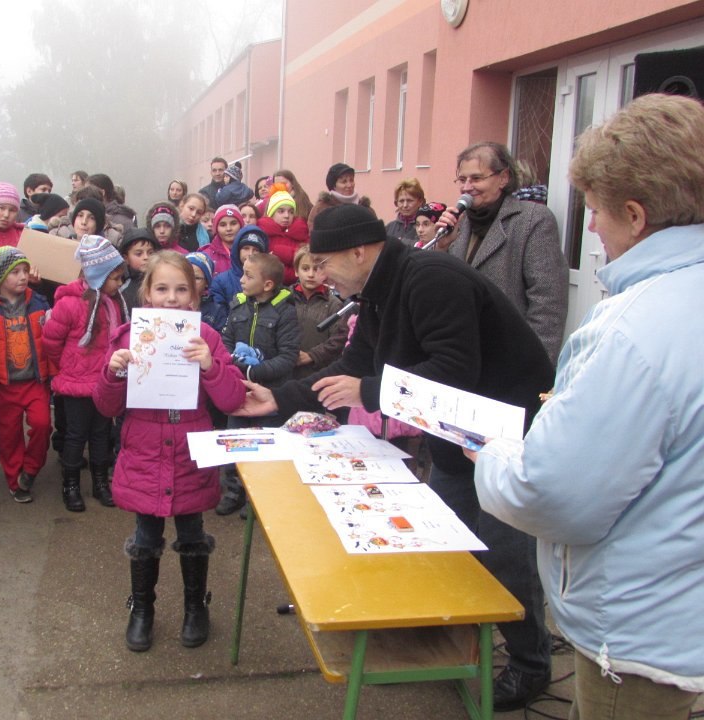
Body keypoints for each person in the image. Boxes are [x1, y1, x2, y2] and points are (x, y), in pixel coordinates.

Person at [237, 204, 556, 711]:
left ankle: (529, 662)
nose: (320, 274)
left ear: (359, 252)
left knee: (505, 554)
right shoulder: (377, 291)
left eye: (325, 263)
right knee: (442, 541)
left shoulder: (431, 280)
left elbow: (452, 369)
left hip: (504, 434)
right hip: (454, 435)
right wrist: (279, 399)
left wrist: (368, 390)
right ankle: (449, 636)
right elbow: (351, 364)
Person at [472, 93, 704, 720]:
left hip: (642, 630)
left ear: (635, 214)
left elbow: (552, 494)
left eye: (596, 210)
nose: (592, 228)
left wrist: (492, 452)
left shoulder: (633, 331)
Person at [93, 250, 245, 652]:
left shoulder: (207, 337)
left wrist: (211, 366)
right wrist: (113, 372)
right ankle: (142, 609)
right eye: (162, 288)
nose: (172, 297)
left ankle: (196, 607)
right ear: (147, 292)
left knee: (192, 533)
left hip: (190, 453)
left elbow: (231, 400)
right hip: (144, 453)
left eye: (181, 289)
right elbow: (106, 407)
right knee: (145, 536)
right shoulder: (127, 337)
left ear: (195, 295)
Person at [436, 141, 568, 363]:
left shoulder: (532, 220)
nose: (466, 187)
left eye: (476, 178)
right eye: (462, 179)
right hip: (463, 354)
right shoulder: (461, 223)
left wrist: (535, 364)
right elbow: (444, 288)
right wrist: (441, 247)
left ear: (503, 178)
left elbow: (548, 303)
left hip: (510, 357)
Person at [43, 235, 127, 512]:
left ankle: (100, 483)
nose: (120, 284)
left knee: (101, 434)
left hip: (103, 382)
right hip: (76, 384)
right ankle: (71, 486)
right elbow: (51, 341)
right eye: (115, 278)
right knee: (76, 436)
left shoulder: (113, 302)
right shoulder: (70, 304)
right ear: (98, 275)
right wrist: (67, 367)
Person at [217, 252, 301, 516]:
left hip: (271, 393)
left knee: (266, 445)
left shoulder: (285, 312)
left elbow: (288, 357)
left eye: (248, 275)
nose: (241, 280)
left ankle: (258, 497)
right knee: (235, 440)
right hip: (240, 389)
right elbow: (226, 341)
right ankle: (234, 490)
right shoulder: (238, 305)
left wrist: (254, 371)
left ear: (267, 284)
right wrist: (233, 363)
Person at [0, 247, 54, 504]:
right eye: (15, 272)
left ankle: (30, 469)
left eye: (25, 271)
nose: (23, 277)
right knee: (9, 436)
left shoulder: (39, 302)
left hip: (35, 381)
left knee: (42, 425)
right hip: (3, 385)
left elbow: (52, 336)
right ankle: (15, 480)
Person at [289, 247, 347, 380]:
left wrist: (312, 355)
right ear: (296, 271)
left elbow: (339, 338)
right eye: (305, 268)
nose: (311, 274)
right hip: (285, 370)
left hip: (317, 373)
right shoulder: (284, 298)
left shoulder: (334, 305)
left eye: (317, 269)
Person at [258, 183, 310, 285]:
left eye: (291, 212)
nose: (287, 216)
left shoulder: (301, 233)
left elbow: (307, 263)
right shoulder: (262, 235)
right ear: (271, 213)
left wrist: (279, 252)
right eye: (281, 211)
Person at [208, 224, 268, 311]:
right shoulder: (220, 282)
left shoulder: (269, 281)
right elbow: (218, 314)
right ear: (237, 250)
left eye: (256, 250)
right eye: (246, 248)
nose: (250, 254)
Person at [308, 162, 375, 231]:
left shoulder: (365, 208)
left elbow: (375, 232)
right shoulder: (321, 208)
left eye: (351, 180)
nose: (349, 185)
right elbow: (314, 233)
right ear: (334, 186)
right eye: (344, 182)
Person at [119, 228, 159, 313]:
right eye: (139, 254)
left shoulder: (162, 282)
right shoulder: (124, 292)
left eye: (150, 253)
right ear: (126, 258)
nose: (146, 257)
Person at [186, 251, 227, 332]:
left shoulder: (216, 311)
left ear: (207, 283)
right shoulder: (171, 304)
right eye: (186, 276)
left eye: (197, 278)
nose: (190, 281)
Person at [198, 204, 245, 275]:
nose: (228, 228)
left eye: (233, 223)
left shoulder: (251, 251)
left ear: (241, 225)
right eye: (223, 225)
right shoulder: (205, 256)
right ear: (216, 228)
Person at [384, 178, 425, 245]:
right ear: (396, 203)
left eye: (409, 200)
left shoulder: (426, 227)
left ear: (420, 201)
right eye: (401, 201)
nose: (405, 205)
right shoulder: (389, 228)